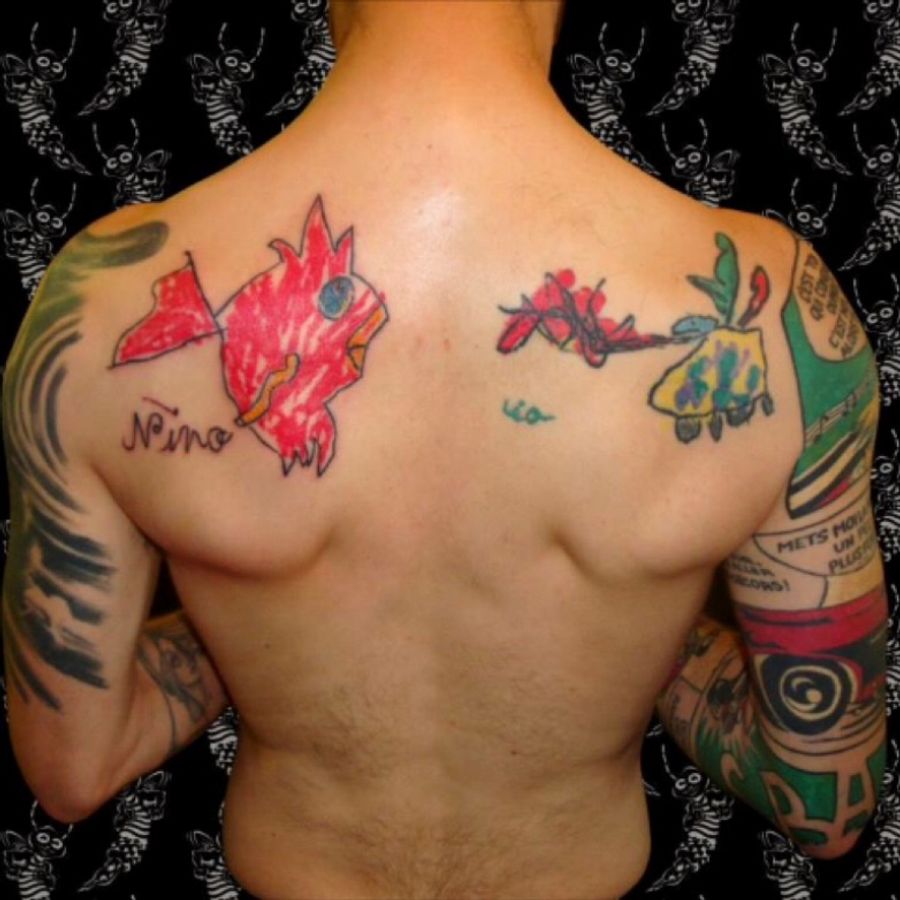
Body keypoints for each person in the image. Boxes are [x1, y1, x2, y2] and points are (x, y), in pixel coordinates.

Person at [2, 1, 888, 897]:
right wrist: (635, 627)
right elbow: (824, 798)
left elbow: (75, 767)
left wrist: (256, 614)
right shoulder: (781, 319)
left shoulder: (101, 301)